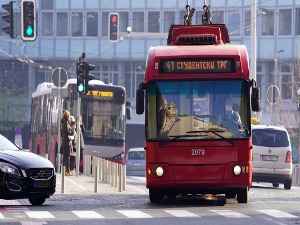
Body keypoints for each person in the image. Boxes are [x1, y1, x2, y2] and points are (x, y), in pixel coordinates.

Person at [61, 110, 74, 176]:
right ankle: (67, 171)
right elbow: (67, 132)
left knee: (65, 157)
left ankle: (65, 170)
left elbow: (62, 133)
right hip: (67, 142)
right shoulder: (66, 123)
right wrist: (72, 131)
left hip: (65, 141)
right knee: (67, 157)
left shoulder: (63, 122)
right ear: (68, 116)